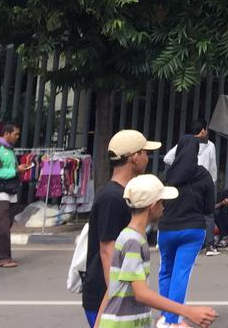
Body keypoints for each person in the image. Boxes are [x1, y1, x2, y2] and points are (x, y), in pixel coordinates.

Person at [95, 174, 217, 328]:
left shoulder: (131, 236)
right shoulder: (132, 241)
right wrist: (188, 311)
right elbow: (141, 294)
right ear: (152, 206)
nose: (164, 206)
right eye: (161, 202)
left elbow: (114, 288)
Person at [83, 130, 161, 328]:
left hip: (121, 294)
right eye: (145, 152)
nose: (147, 158)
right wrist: (115, 296)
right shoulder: (112, 197)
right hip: (108, 296)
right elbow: (107, 250)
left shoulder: (126, 195)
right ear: (134, 157)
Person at [157, 135, 215, 328]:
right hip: (193, 230)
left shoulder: (167, 175)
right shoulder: (203, 175)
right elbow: (209, 208)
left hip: (166, 229)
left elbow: (159, 202)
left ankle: (166, 316)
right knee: (180, 273)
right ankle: (173, 321)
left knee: (166, 271)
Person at [163, 120, 219, 254]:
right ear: (203, 130)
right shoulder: (210, 145)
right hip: (203, 181)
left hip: (184, 181)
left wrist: (180, 166)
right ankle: (209, 245)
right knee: (208, 214)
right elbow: (213, 167)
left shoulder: (183, 143)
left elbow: (167, 158)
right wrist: (211, 181)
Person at [0, 123, 31, 268]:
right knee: (1, 228)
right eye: (15, 134)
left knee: (2, 227)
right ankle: (2, 258)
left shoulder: (9, 150)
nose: (17, 137)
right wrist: (16, 171)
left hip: (9, 193)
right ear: (6, 134)